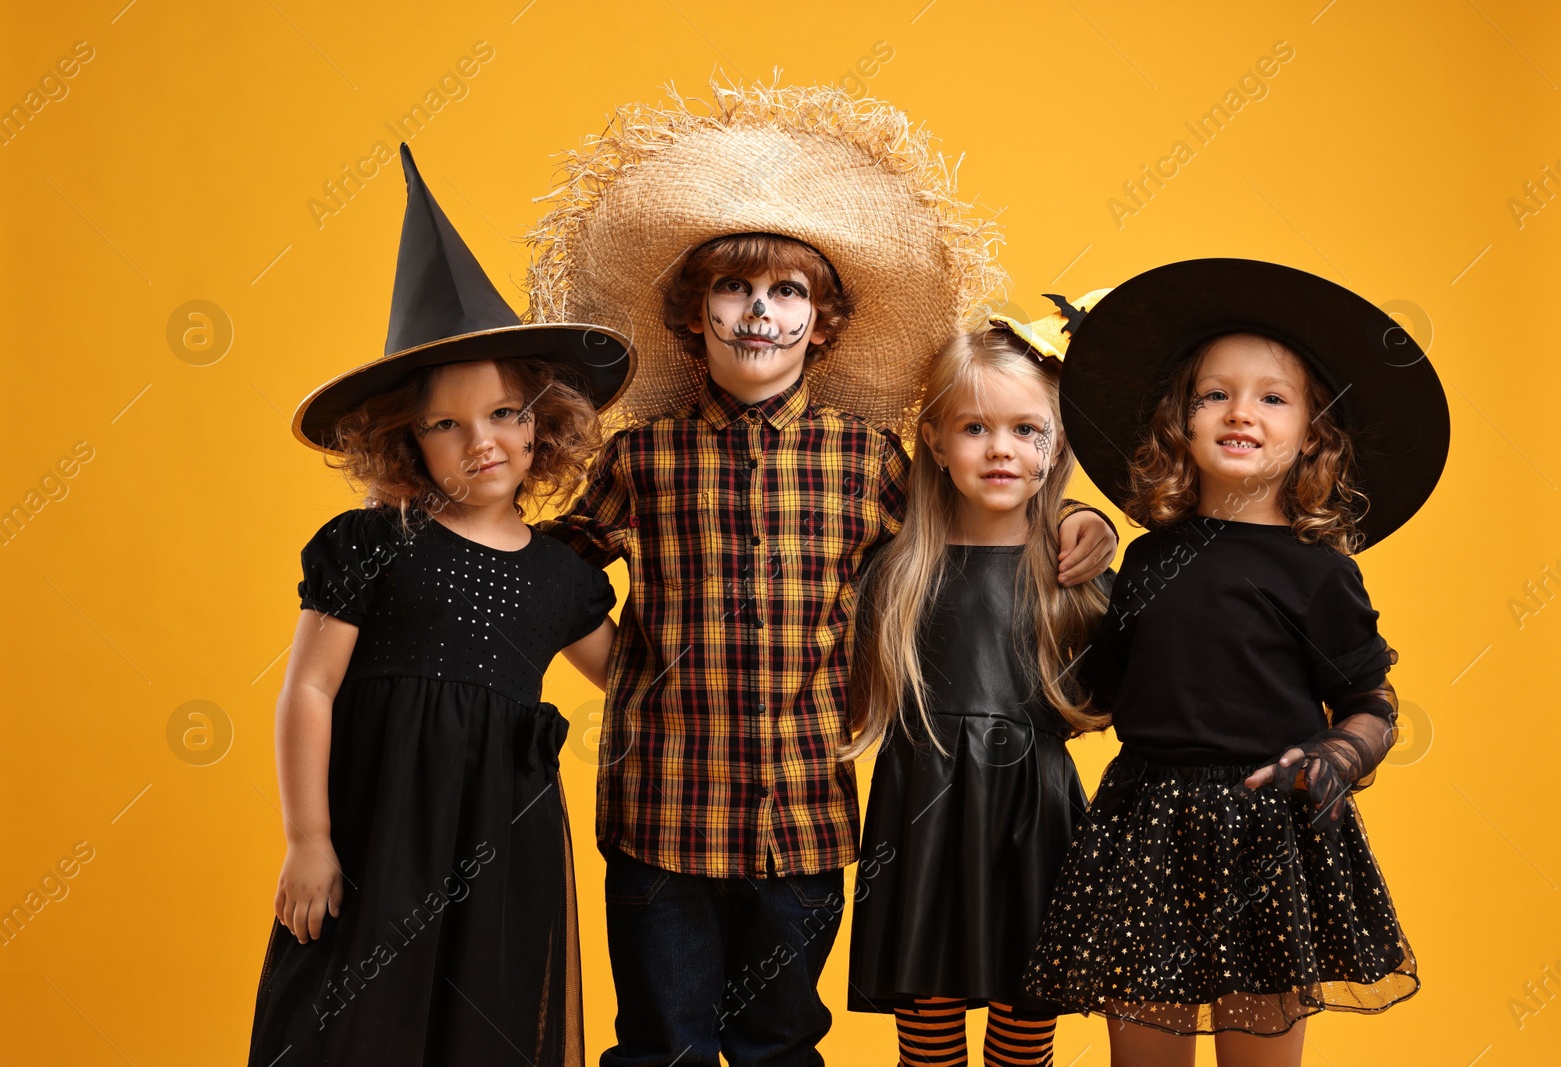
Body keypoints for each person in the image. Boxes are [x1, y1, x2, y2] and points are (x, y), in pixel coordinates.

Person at [525, 83, 1119, 1067]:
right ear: (691, 313)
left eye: (788, 291)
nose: (759, 311)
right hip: (660, 809)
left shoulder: (870, 460)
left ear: (824, 320)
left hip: (802, 812)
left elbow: (967, 527)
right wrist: (623, 666)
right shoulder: (644, 456)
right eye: (732, 288)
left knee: (780, 1039)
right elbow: (553, 575)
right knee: (659, 1040)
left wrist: (1084, 518)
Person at [247, 144, 633, 1067]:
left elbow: (637, 680)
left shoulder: (564, 576)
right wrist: (308, 837)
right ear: (406, 443)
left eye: (504, 413)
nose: (482, 441)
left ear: (542, 419)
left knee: (487, 1026)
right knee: (350, 1019)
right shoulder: (370, 545)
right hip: (376, 830)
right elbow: (307, 690)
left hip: (503, 839)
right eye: (446, 424)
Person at [1022, 258, 1449, 1066]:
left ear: (1315, 433)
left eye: (1272, 397)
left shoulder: (1319, 571)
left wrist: (1340, 751)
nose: (1239, 411)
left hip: (1267, 831)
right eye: (1214, 393)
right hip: (1145, 827)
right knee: (1142, 1054)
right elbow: (1096, 693)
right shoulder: (1147, 560)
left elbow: (1371, 698)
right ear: (1177, 420)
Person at [843, 324, 1111, 1067]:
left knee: (1025, 1032)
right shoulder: (894, 572)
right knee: (927, 1038)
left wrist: (1095, 519)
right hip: (922, 815)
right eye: (974, 427)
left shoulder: (1076, 576)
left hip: (1037, 818)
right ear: (933, 441)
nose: (1001, 449)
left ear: (1056, 445)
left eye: (1027, 429)